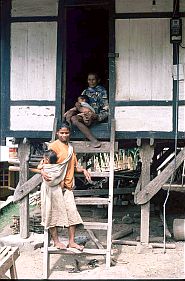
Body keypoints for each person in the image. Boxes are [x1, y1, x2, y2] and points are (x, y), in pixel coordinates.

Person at [39, 122, 91, 251]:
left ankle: (72, 241)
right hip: (54, 187)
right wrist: (42, 172)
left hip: (67, 186)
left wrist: (83, 170)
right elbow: (42, 164)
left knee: (72, 213)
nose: (64, 135)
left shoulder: (70, 149)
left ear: (69, 134)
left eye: (66, 133)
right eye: (61, 133)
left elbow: (74, 166)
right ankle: (56, 241)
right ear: (57, 133)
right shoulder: (53, 146)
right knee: (52, 214)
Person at [64, 72, 109, 148]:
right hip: (84, 114)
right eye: (89, 80)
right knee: (73, 118)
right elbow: (81, 104)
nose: (91, 82)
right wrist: (76, 107)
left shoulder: (102, 92)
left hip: (95, 116)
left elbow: (106, 110)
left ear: (98, 80)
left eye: (93, 80)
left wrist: (97, 116)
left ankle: (94, 141)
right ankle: (67, 138)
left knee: (86, 117)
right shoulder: (85, 91)